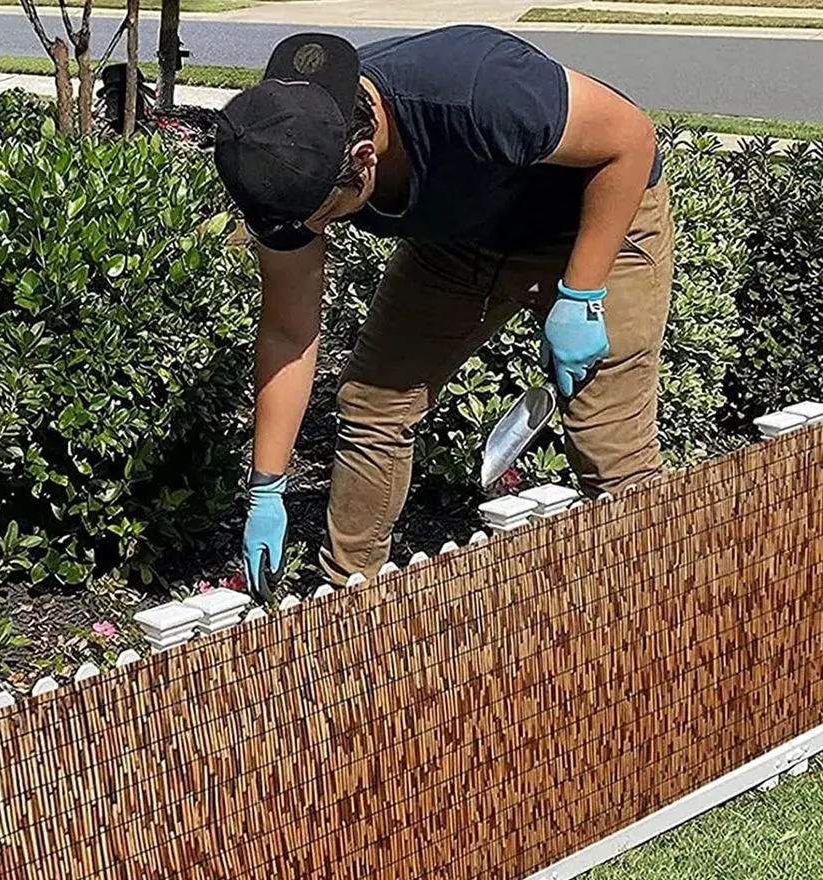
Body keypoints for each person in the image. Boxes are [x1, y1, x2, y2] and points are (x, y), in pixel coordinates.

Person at [213, 26, 675, 599]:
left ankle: (661, 607)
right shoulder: (284, 161)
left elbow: (630, 139)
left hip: (586, 219)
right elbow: (288, 331)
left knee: (610, 449)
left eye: (324, 218)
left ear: (362, 157)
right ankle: (351, 607)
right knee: (372, 406)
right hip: (458, 238)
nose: (314, 235)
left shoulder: (480, 89)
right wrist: (267, 485)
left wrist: (581, 293)